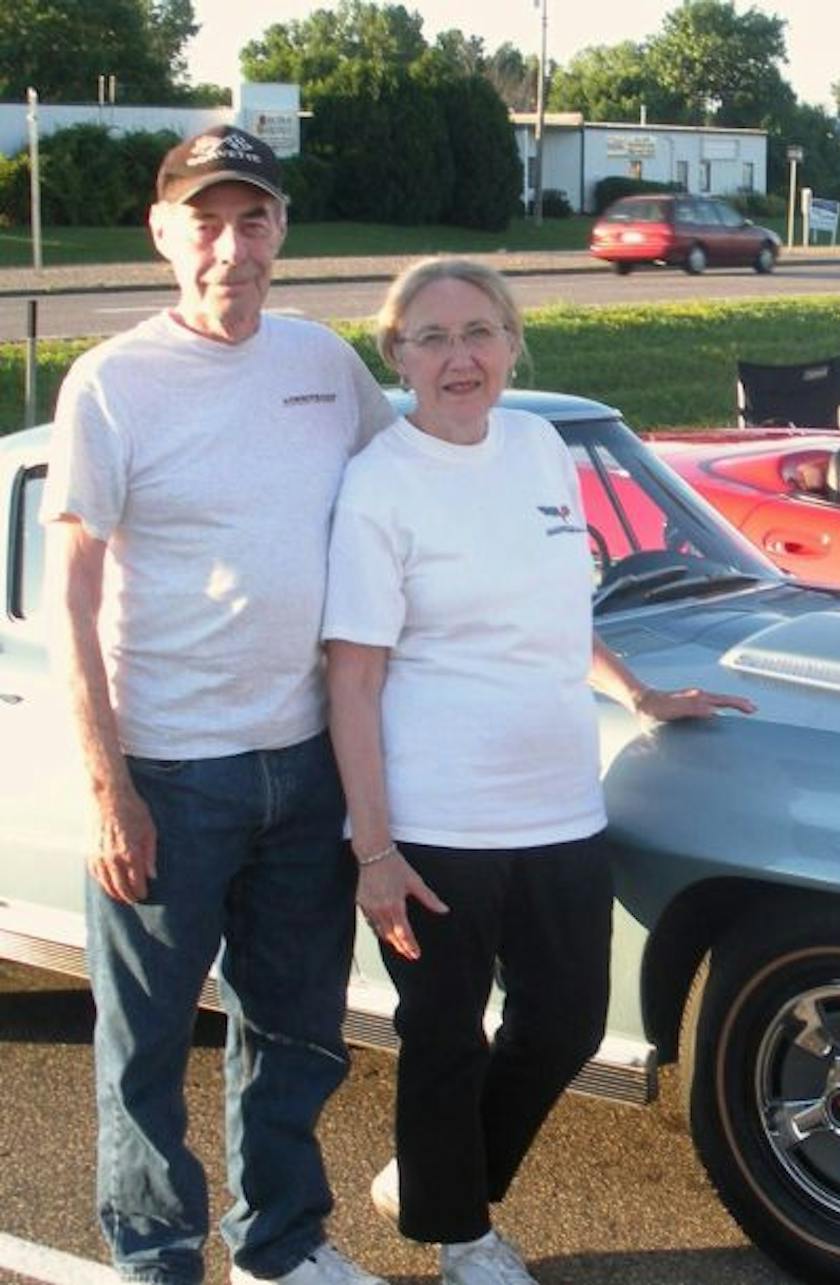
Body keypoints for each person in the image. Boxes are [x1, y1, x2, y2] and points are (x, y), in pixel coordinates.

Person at [320, 259, 753, 1285]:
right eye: (430, 338)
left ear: (514, 341)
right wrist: (372, 845)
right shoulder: (381, 483)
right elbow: (353, 675)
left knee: (563, 1022)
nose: (458, 357)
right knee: (444, 1035)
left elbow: (561, 609)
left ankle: (435, 1179)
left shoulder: (542, 445)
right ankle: (460, 1234)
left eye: (480, 331)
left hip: (559, 805)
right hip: (437, 822)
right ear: (398, 356)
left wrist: (637, 692)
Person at [42, 125, 396, 1285]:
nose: (230, 247)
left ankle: (279, 1245)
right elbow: (75, 595)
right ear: (162, 233)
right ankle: (154, 1257)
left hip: (304, 768)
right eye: (206, 220)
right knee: (143, 1049)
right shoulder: (114, 383)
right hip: (171, 775)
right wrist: (111, 788)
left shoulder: (323, 363)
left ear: (282, 231)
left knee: (293, 1034)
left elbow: (409, 503)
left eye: (254, 220)